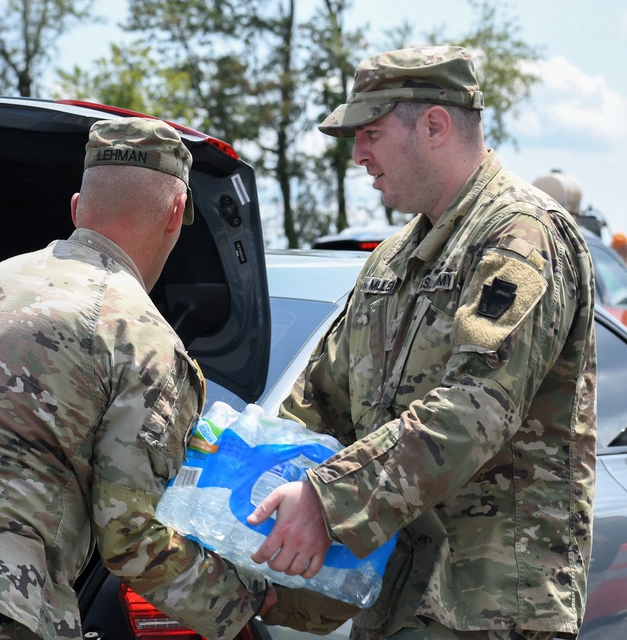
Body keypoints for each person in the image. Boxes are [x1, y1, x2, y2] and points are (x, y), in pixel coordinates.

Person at [0, 117, 275, 640]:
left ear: (75, 208)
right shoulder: (139, 331)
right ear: (176, 213)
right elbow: (132, 538)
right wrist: (257, 601)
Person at [248, 45, 598, 640]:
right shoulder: (391, 259)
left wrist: (326, 500)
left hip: (487, 607)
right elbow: (318, 404)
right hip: (390, 602)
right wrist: (235, 482)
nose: (357, 154)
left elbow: (476, 408)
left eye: (372, 133)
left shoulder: (522, 234)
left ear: (434, 125)